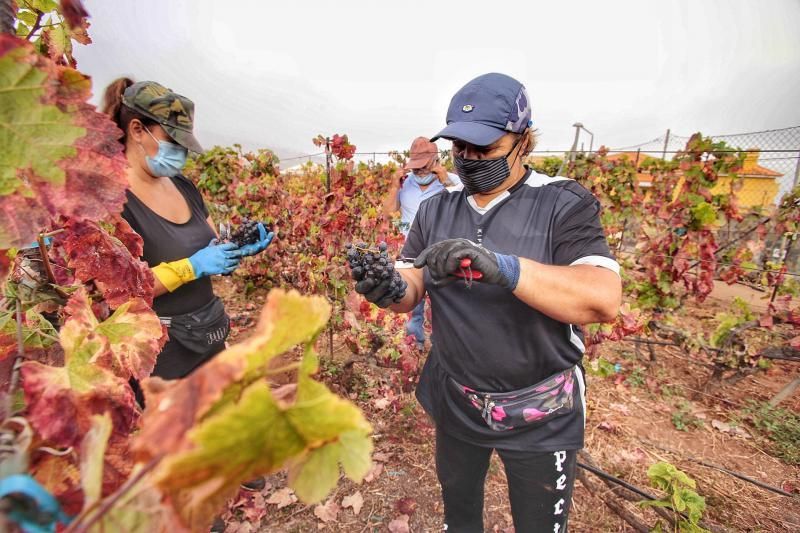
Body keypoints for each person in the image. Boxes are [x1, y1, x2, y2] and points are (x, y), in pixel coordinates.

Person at [351, 73, 622, 532]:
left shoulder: (562, 202)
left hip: (542, 414)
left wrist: (507, 268)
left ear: (523, 141)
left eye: (487, 150)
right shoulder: (438, 208)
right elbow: (413, 279)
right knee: (460, 516)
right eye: (461, 149)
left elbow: (601, 299)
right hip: (457, 398)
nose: (471, 161)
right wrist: (391, 290)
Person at [102, 78, 273, 381]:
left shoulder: (182, 185)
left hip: (207, 334)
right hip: (158, 353)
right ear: (138, 130)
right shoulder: (110, 199)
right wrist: (190, 267)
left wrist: (234, 247)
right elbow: (116, 291)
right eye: (173, 141)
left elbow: (210, 243)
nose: (180, 152)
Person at [382, 137, 460, 350]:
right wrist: (394, 186)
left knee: (442, 296)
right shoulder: (405, 184)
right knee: (412, 297)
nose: (420, 173)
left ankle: (441, 341)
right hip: (411, 248)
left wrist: (445, 181)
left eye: (424, 167)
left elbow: (466, 205)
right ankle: (415, 339)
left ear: (436, 161)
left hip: (441, 249)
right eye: (415, 168)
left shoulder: (452, 181)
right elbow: (388, 212)